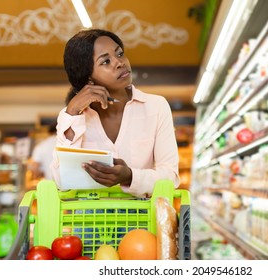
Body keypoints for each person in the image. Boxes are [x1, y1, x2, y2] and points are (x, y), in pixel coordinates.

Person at [51, 29, 180, 197]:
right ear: (88, 77)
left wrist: (130, 176)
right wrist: (72, 112)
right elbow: (61, 181)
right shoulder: (71, 117)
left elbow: (171, 178)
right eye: (105, 61)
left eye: (120, 54)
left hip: (143, 218)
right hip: (88, 219)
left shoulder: (156, 107)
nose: (119, 63)